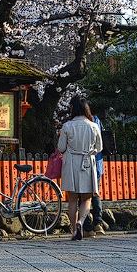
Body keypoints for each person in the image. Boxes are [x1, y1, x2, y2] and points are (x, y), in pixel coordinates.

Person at [57, 95, 103, 241]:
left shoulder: (67, 126)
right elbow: (99, 147)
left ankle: (73, 230)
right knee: (87, 198)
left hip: (71, 163)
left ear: (73, 109)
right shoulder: (93, 126)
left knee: (72, 199)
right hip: (87, 163)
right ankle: (80, 222)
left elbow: (61, 147)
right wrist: (90, 152)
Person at [83, 112, 105, 234]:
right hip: (97, 162)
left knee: (84, 195)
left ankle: (87, 227)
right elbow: (99, 145)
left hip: (85, 163)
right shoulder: (96, 121)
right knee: (95, 193)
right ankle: (98, 223)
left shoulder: (80, 122)